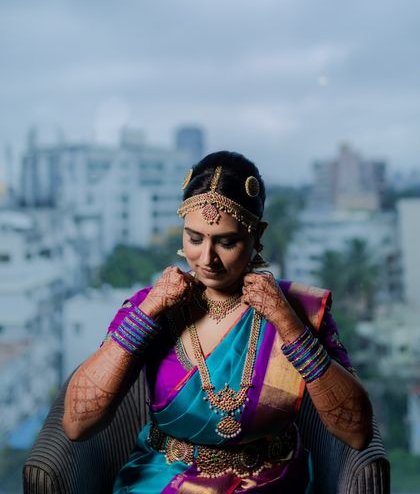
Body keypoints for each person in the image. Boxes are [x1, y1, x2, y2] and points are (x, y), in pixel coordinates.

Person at [62, 151, 373, 493]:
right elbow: (77, 424)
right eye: (194, 238)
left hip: (270, 484)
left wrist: (289, 325)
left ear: (257, 236)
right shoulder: (151, 307)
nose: (206, 258)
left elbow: (356, 433)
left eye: (226, 242)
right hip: (165, 479)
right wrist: (148, 312)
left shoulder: (299, 310)